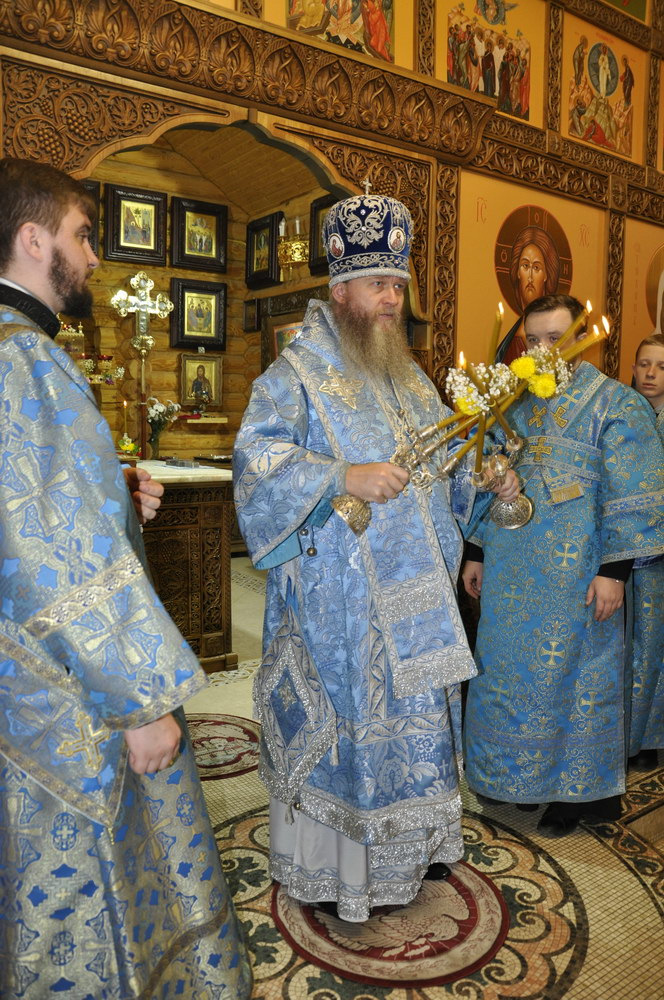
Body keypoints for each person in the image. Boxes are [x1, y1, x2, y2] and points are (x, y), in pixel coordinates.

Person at [0, 158, 251, 998]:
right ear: (34, 239)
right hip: (60, 687)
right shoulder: (24, 360)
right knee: (82, 878)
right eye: (81, 235)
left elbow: (35, 509)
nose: (94, 257)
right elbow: (51, 554)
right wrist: (140, 700)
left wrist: (114, 492)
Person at [233, 192, 519, 921]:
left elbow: (444, 466)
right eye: (376, 284)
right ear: (340, 289)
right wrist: (342, 477)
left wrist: (482, 472)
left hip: (418, 598)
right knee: (354, 730)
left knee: (419, 722)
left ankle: (413, 850)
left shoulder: (410, 377)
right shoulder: (296, 373)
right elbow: (256, 460)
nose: (392, 298)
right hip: (343, 607)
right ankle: (340, 873)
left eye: (397, 283)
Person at [461, 294, 664, 837]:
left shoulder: (617, 404)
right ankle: (510, 777)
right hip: (510, 568)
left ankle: (575, 795)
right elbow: (486, 473)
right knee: (503, 675)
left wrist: (615, 572)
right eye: (533, 340)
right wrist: (477, 551)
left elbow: (636, 493)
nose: (543, 349)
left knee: (575, 682)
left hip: (579, 575)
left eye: (555, 338)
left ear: (581, 338)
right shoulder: (514, 404)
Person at [627, 333, 664, 769]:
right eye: (644, 364)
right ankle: (623, 736)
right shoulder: (620, 414)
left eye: (662, 366)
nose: (651, 373)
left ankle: (650, 737)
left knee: (654, 646)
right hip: (621, 552)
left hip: (659, 557)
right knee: (626, 647)